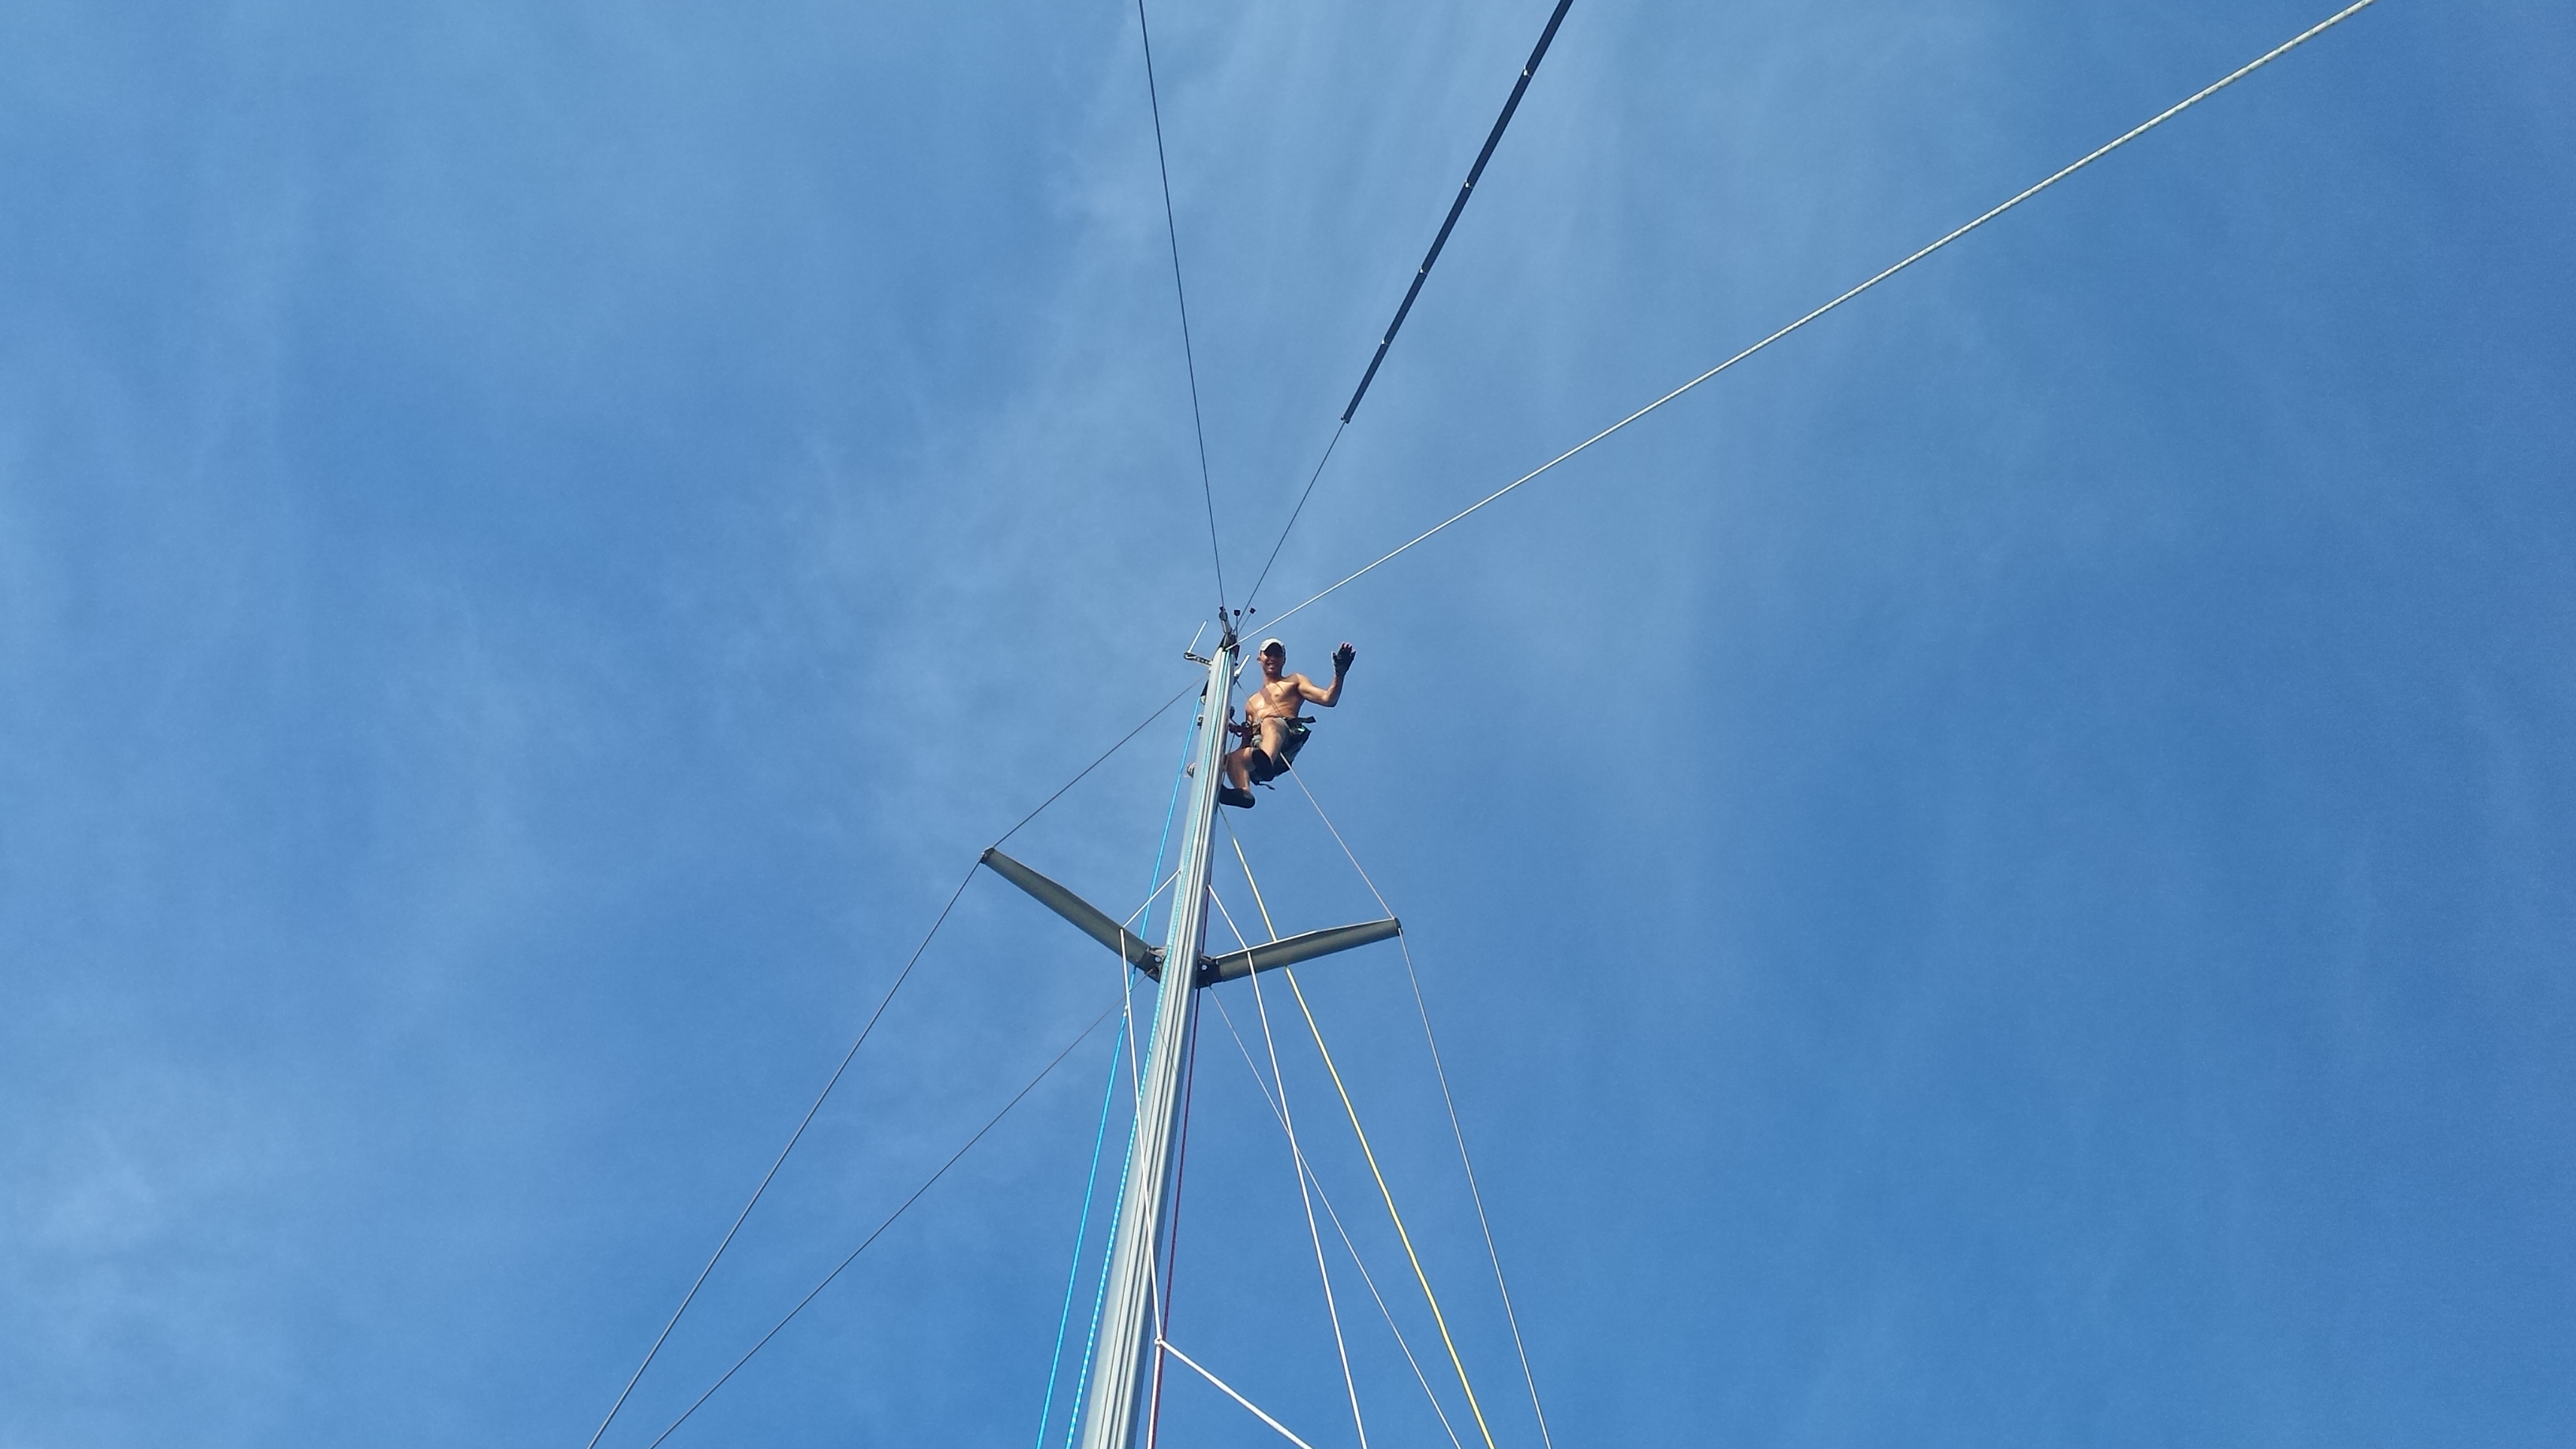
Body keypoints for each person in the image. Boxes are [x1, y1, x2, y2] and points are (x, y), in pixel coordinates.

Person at [1219, 638, 1353, 809]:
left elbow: (1328, 699)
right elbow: (1245, 744)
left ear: (1284, 660)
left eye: (1278, 655)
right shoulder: (1251, 702)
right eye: (1268, 654)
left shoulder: (1293, 680)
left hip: (1284, 739)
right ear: (1259, 658)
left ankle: (1267, 760)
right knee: (1233, 758)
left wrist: (1339, 674)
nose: (1273, 658)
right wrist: (1225, 759)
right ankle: (1243, 792)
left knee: (1270, 722)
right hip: (1259, 749)